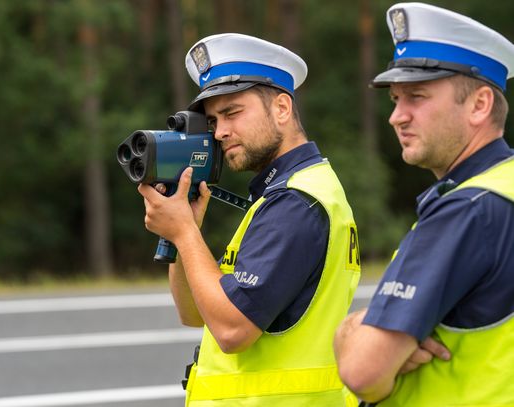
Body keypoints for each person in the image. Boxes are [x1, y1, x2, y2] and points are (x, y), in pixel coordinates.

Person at [138, 33, 361, 406]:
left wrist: (184, 233)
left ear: (282, 109)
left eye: (233, 113)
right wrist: (185, 232)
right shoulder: (287, 192)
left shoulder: (295, 201)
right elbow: (195, 313)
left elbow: (231, 329)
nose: (221, 132)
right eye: (212, 121)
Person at [334, 2, 514, 405]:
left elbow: (363, 372)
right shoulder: (505, 190)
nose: (396, 117)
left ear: (480, 105)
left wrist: (349, 330)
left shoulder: (469, 208)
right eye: (396, 99)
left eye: (416, 96)